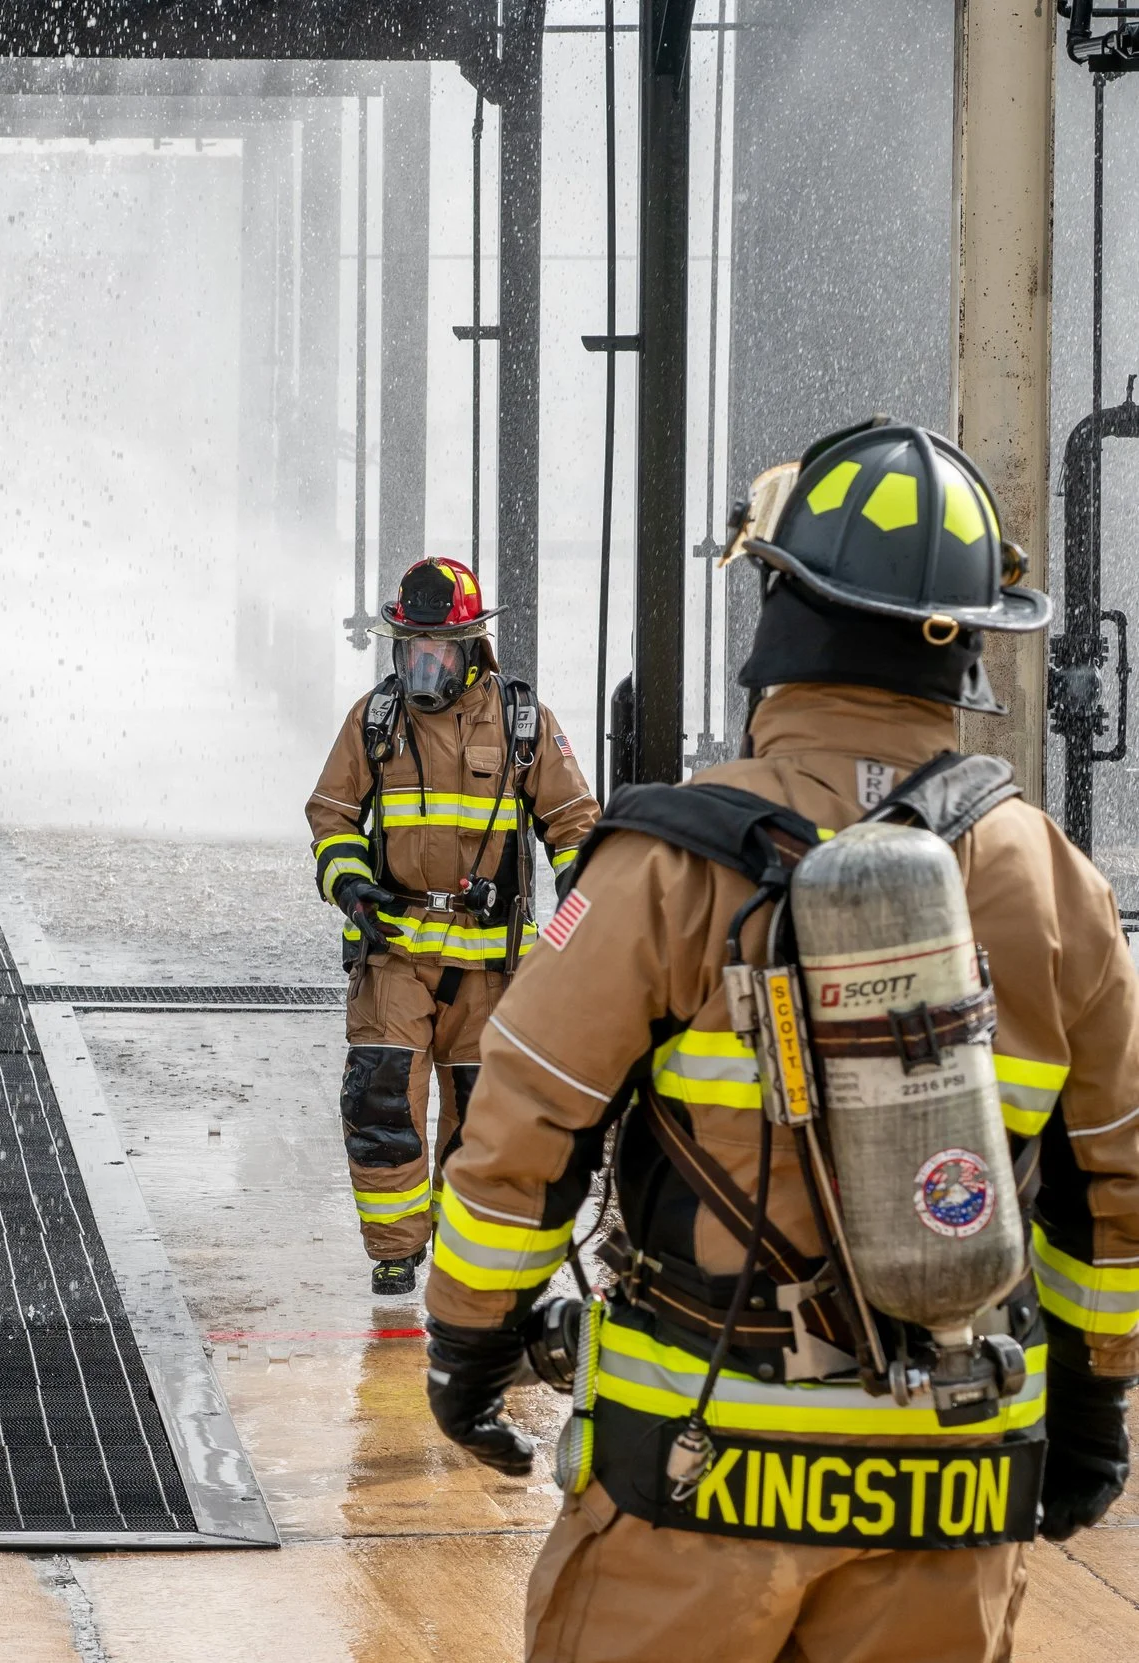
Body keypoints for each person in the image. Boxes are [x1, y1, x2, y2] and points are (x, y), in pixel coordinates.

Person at [424, 419, 1137, 1662]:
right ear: (967, 641)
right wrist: (1091, 1409)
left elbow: (521, 1128)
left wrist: (469, 1342)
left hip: (699, 1477)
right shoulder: (1052, 880)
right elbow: (1113, 1185)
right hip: (951, 1487)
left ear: (781, 607)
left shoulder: (663, 861)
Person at [306, 557, 599, 1295]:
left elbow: (573, 820)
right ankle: (396, 1249)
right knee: (380, 1101)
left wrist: (580, 882)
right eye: (411, 651)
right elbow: (332, 812)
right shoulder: (375, 719)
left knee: (482, 1122)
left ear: (471, 648)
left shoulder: (521, 721)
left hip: (490, 968)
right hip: (394, 953)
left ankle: (469, 1257)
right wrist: (350, 883)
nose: (422, 666)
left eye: (436, 651)